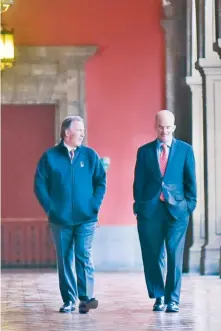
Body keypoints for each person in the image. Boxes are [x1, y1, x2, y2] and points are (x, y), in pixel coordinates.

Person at [34, 115, 106, 314]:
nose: (83, 133)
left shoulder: (90, 156)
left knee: (83, 255)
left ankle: (86, 299)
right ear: (67, 133)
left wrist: (94, 206)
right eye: (79, 130)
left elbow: (101, 182)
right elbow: (39, 186)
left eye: (83, 130)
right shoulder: (49, 157)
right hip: (60, 219)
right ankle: (69, 301)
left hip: (86, 218)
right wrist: (51, 208)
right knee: (65, 259)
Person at [133, 110, 196, 313]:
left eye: (168, 127)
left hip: (177, 212)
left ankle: (173, 300)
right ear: (155, 126)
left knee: (174, 255)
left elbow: (191, 181)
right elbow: (138, 183)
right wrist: (139, 206)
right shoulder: (144, 152)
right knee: (152, 255)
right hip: (150, 211)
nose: (164, 130)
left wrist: (189, 207)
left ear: (174, 128)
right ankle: (159, 297)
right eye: (161, 126)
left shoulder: (185, 150)